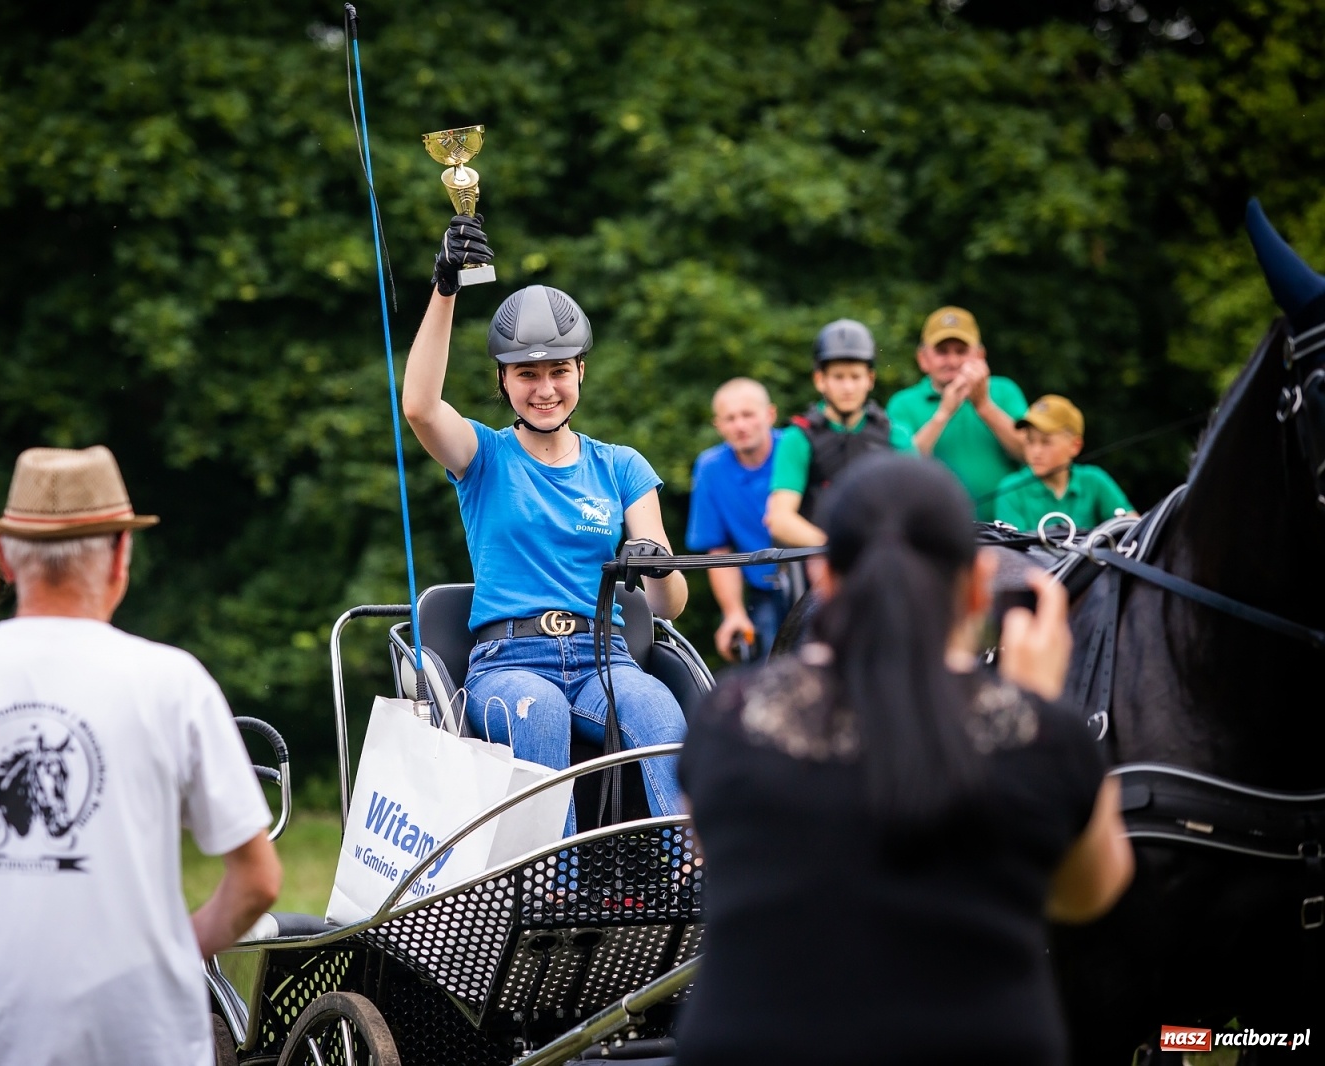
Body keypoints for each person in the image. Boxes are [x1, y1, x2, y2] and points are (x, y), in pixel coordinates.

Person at [677, 454, 1134, 1066]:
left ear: (826, 579)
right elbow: (1088, 896)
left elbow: (719, 849)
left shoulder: (728, 720)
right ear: (976, 589)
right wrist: (1038, 709)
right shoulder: (1040, 738)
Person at [0, 447, 281, 1065]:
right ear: (121, 556)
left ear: (3, 558)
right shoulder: (173, 683)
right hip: (139, 1040)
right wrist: (173, 953)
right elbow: (258, 880)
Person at [402, 214, 689, 834]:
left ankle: (694, 891)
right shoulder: (484, 457)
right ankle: (551, 904)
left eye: (559, 370)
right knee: (540, 715)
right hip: (510, 660)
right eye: (527, 374)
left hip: (605, 657)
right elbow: (420, 407)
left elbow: (670, 606)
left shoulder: (621, 467)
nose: (545, 389)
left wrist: (655, 564)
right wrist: (446, 289)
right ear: (503, 381)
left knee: (662, 715)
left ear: (581, 371)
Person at [766, 319, 912, 549]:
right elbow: (780, 519)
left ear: (870, 379)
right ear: (820, 380)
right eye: (838, 377)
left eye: (855, 377)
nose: (848, 387)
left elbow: (913, 504)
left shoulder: (895, 435)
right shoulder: (799, 438)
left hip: (882, 557)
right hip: (819, 564)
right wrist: (837, 549)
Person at [886, 306, 1028, 520]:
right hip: (932, 531)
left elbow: (1030, 454)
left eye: (961, 352)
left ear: (980, 355)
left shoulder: (1005, 391)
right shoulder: (902, 403)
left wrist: (984, 406)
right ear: (923, 358)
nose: (952, 362)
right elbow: (897, 471)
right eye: (942, 352)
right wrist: (943, 413)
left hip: (1007, 533)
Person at [685, 378, 785, 663]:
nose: (740, 426)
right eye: (730, 418)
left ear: (770, 415)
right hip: (763, 590)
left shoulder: (795, 449)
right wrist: (733, 613)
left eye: (748, 415)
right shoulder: (711, 468)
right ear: (718, 425)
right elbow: (718, 551)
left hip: (815, 577)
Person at [993, 395, 1136, 533]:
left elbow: (1133, 527)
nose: (1035, 451)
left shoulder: (1094, 480)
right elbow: (1012, 552)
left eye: (1046, 442)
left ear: (1075, 446)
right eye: (1030, 441)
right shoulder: (1010, 490)